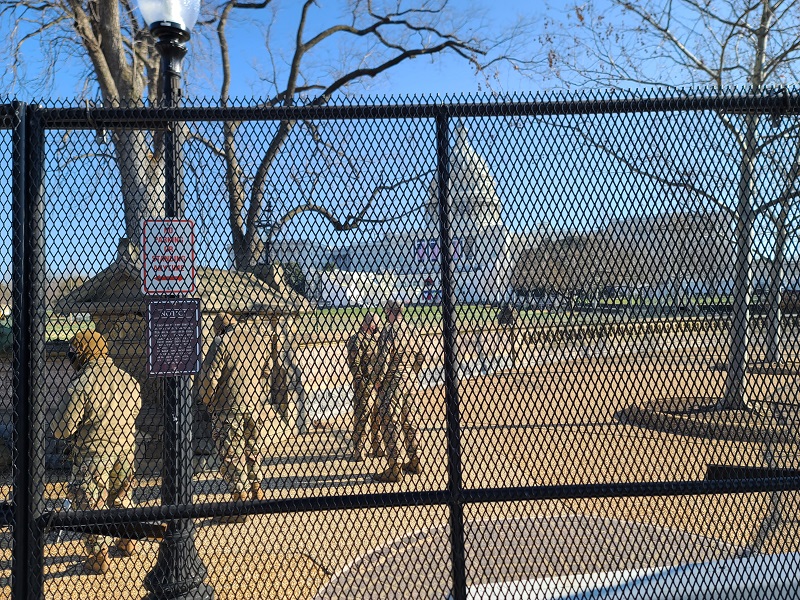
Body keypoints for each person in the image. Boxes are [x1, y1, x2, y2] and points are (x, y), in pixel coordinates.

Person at [51, 331, 141, 575]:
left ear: (83, 352)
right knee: (121, 496)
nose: (71, 355)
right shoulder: (128, 379)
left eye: (74, 350)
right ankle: (126, 539)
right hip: (125, 448)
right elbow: (136, 409)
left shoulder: (81, 384)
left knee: (90, 503)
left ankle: (98, 555)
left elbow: (64, 428)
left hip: (93, 453)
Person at [195, 313, 270, 524]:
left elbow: (210, 378)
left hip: (228, 408)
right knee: (252, 450)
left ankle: (240, 504)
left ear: (219, 329)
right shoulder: (257, 338)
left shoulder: (221, 342)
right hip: (254, 406)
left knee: (232, 456)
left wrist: (207, 400)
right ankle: (257, 493)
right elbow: (266, 369)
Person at [372, 300, 425, 483]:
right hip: (411, 380)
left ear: (389, 311)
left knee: (390, 421)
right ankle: (415, 459)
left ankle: (395, 467)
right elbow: (420, 356)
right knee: (410, 420)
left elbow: (384, 359)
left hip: (394, 380)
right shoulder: (413, 329)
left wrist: (377, 381)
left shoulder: (389, 330)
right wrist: (412, 373)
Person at [345, 312, 382, 462]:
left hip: (377, 384)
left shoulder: (375, 339)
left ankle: (377, 447)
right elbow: (355, 365)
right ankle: (358, 450)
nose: (377, 327)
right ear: (369, 324)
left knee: (377, 417)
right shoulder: (356, 340)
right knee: (362, 418)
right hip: (365, 385)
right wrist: (364, 385)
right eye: (375, 324)